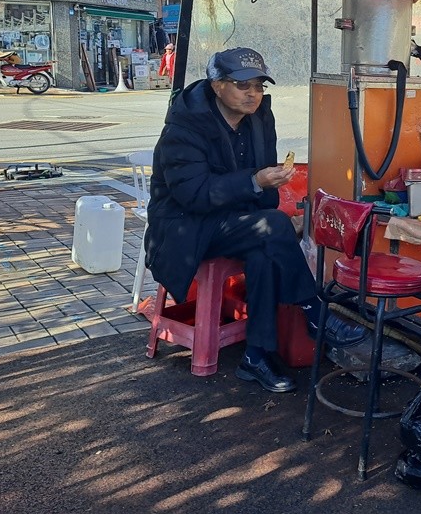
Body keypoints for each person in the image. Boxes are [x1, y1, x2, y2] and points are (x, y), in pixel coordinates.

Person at [145, 47, 367, 393]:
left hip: (238, 221)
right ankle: (314, 312)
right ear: (217, 85)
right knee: (273, 227)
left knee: (265, 249)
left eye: (259, 86)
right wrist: (254, 181)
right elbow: (195, 196)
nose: (253, 94)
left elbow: (262, 195)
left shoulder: (261, 117)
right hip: (184, 226)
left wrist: (266, 183)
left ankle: (257, 355)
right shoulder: (184, 128)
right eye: (243, 85)